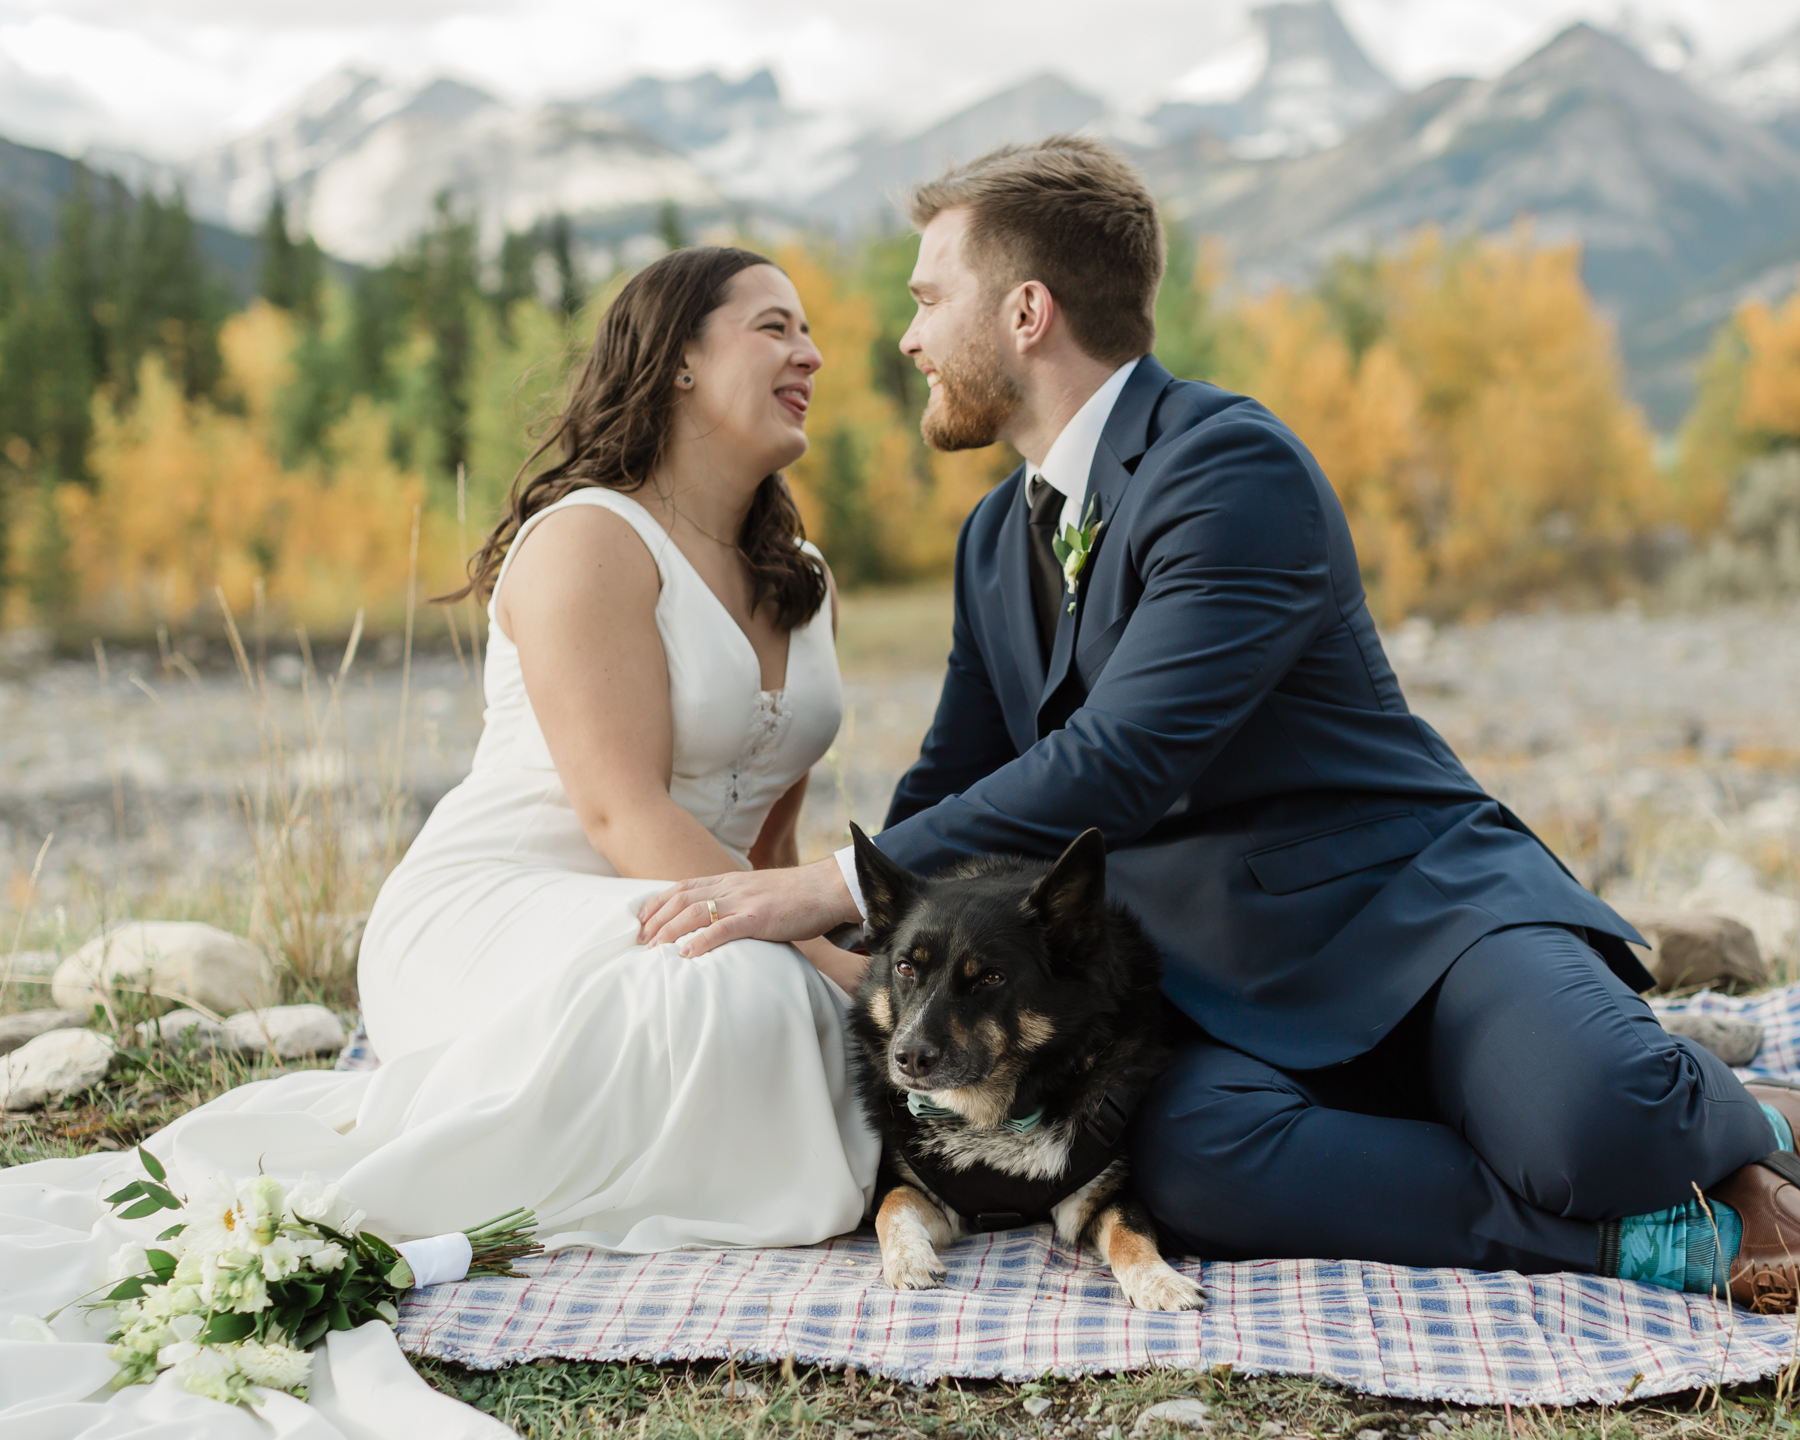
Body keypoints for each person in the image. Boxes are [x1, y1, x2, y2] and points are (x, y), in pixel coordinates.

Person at [638, 138, 1800, 1311]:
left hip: (1415, 927)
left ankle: (1726, 1110)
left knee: (1595, 1128)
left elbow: (1125, 757)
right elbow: (955, 778)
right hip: (1217, 992)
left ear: (1027, 312)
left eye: (930, 299)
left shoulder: (1232, 467)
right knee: (1192, 1172)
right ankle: (1644, 1243)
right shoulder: (995, 539)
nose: (907, 337)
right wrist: (892, 946)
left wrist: (822, 884)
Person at [0, 245, 878, 1437]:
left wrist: (821, 935)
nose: (812, 356)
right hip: (503, 909)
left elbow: (769, 826)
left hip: (681, 907)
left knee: (782, 997)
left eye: (809, 333)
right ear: (676, 359)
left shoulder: (804, 578)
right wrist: (828, 960)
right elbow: (624, 815)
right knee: (754, 999)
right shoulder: (592, 538)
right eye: (776, 328)